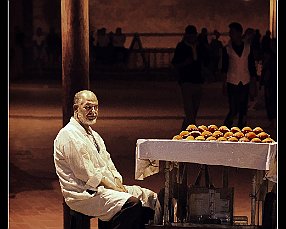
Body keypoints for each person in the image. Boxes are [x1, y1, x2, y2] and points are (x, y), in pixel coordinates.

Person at [53, 90, 161, 229]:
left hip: (105, 187)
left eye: (96, 107)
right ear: (76, 109)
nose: (93, 111)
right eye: (87, 107)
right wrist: (115, 189)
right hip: (83, 194)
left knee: (150, 198)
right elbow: (87, 175)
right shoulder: (69, 136)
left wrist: (117, 182)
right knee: (131, 204)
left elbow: (108, 163)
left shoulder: (94, 135)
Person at [221, 22, 257, 129]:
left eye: (232, 32)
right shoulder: (227, 49)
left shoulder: (248, 48)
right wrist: (224, 84)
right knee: (233, 108)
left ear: (239, 33)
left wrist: (253, 84)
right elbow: (224, 68)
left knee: (243, 108)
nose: (230, 34)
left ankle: (242, 128)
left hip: (245, 80)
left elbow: (252, 67)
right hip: (232, 81)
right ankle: (226, 127)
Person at [171, 25, 205, 130]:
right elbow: (175, 63)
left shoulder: (200, 47)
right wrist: (184, 63)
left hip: (198, 80)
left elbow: (205, 61)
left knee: (194, 109)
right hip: (186, 81)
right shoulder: (181, 47)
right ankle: (193, 131)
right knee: (189, 109)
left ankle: (185, 128)